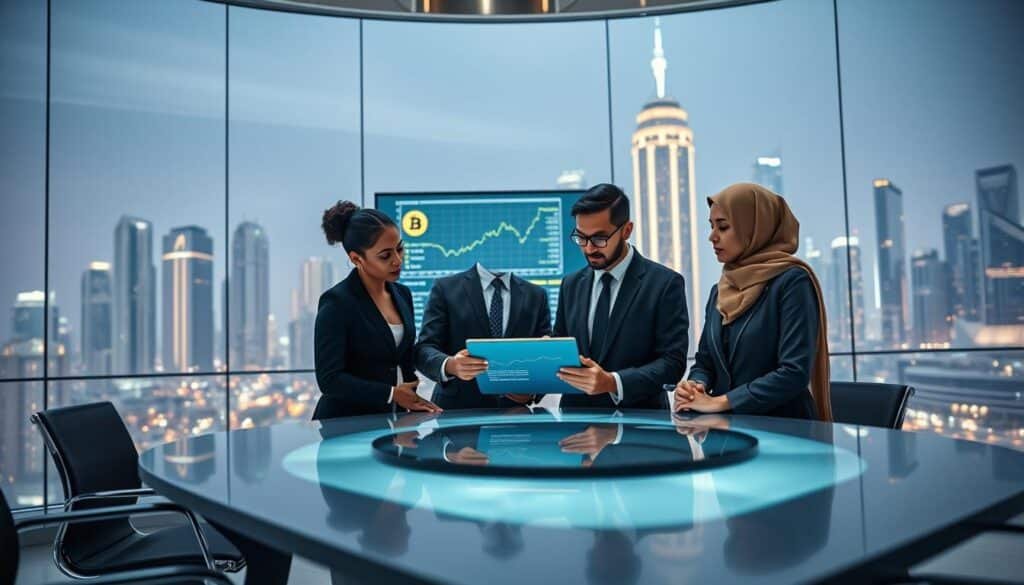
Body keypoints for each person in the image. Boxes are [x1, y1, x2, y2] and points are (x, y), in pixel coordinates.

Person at [674, 183, 832, 420]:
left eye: (723, 227)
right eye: (711, 226)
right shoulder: (719, 291)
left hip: (786, 431)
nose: (712, 236)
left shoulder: (792, 282)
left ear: (754, 228)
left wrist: (720, 402)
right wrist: (696, 386)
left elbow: (793, 372)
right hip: (728, 431)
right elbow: (705, 362)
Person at [553, 184, 689, 409]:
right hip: (576, 426)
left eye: (599, 239)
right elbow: (561, 346)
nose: (588, 249)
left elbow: (672, 363)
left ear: (627, 230)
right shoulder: (571, 284)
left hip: (640, 428)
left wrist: (613, 382)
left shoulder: (664, 284)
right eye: (581, 238)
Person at [313, 200, 442, 420]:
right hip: (345, 423)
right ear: (356, 259)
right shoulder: (337, 302)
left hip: (392, 421)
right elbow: (330, 379)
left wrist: (412, 398)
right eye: (385, 256)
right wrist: (391, 394)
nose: (397, 260)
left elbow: (401, 357)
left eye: (400, 249)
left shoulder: (402, 294)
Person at [415, 262, 551, 409]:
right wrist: (451, 365)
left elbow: (547, 351)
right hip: (457, 411)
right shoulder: (445, 288)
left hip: (514, 414)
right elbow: (424, 348)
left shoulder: (536, 295)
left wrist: (534, 390)